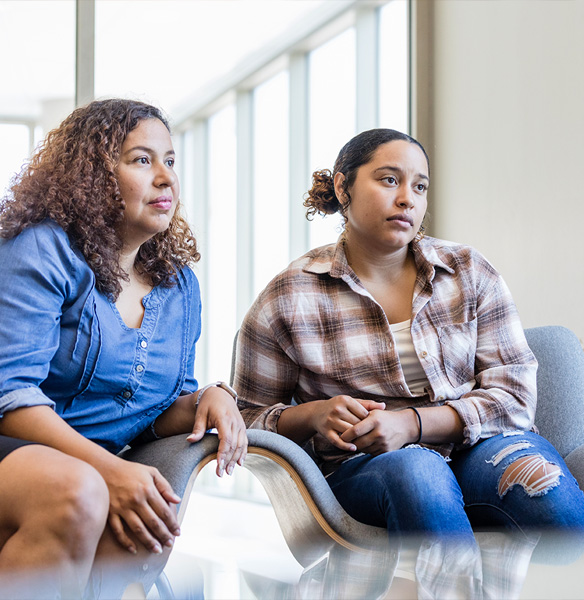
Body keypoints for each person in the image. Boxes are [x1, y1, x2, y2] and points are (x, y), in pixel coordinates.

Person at [233, 128, 584, 598]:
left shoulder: (468, 271)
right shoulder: (287, 297)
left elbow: (515, 396)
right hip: (367, 469)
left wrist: (412, 424)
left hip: (478, 446)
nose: (407, 199)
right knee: (419, 474)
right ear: (343, 187)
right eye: (388, 180)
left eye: (419, 186)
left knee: (549, 497)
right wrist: (313, 415)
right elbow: (245, 420)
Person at [0, 98, 247, 599]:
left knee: (142, 526)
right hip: (1, 448)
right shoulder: (33, 247)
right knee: (79, 492)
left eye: (170, 160)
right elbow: (6, 397)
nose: (166, 178)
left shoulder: (179, 284)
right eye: (142, 160)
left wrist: (207, 401)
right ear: (91, 173)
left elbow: (153, 407)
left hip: (81, 464)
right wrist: (110, 471)